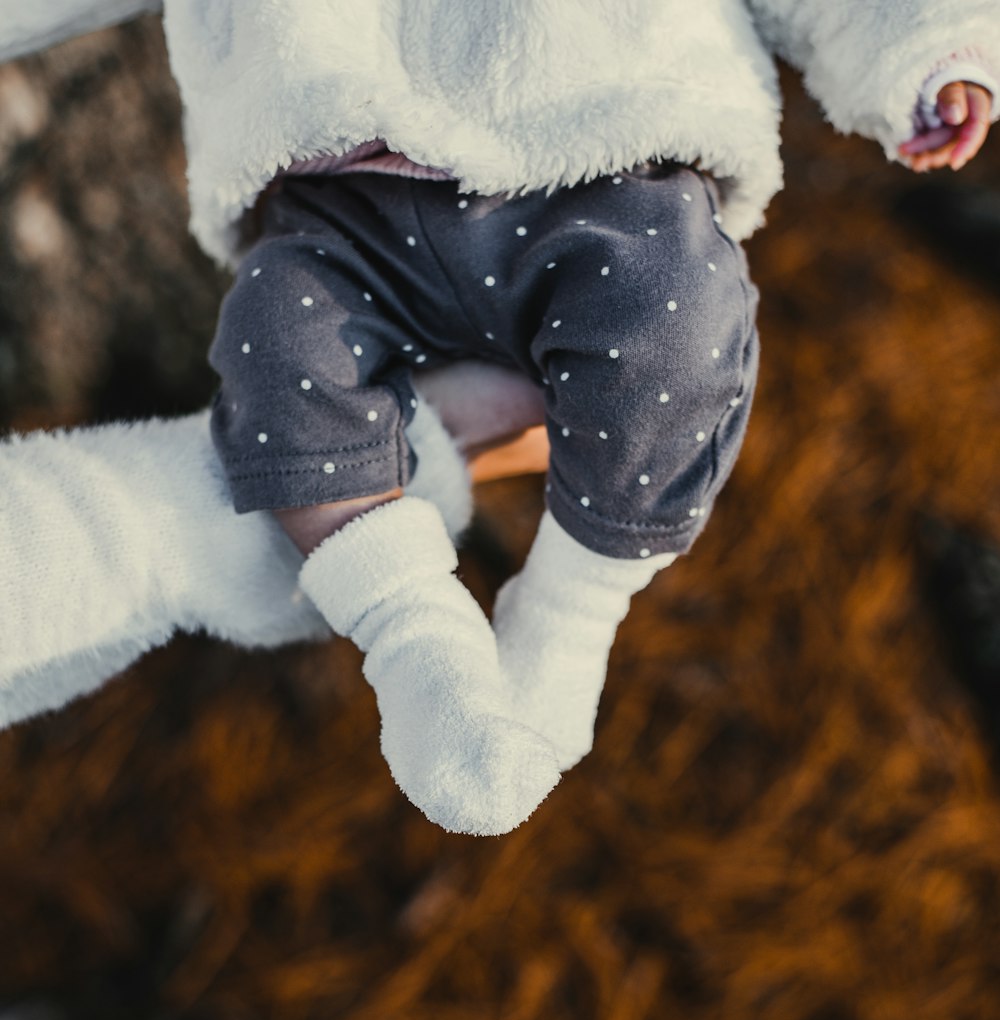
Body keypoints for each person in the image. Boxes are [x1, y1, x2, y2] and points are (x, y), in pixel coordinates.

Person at [0, 2, 997, 835]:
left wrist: (926, 47)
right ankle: (409, 629)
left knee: (677, 333)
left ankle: (571, 605)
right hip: (337, 189)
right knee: (279, 361)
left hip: (602, 155)